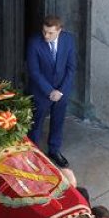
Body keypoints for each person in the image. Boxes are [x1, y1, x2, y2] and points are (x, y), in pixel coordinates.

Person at [26, 15, 77, 167]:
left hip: (62, 90)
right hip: (42, 91)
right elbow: (34, 71)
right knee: (36, 123)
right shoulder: (34, 42)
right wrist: (50, 91)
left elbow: (71, 68)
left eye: (50, 33)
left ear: (59, 31)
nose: (46, 35)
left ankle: (54, 150)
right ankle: (32, 153)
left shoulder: (68, 40)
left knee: (58, 120)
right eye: (44, 32)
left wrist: (61, 91)